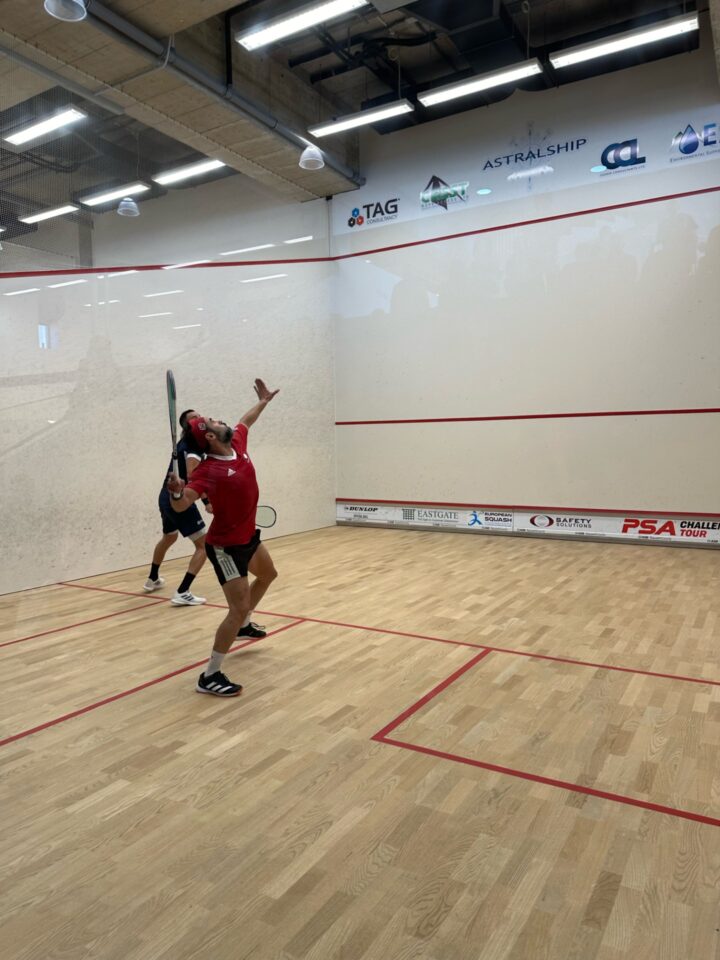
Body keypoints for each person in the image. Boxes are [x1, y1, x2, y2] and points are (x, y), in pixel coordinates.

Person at [166, 379, 279, 697]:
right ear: (211, 437)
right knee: (237, 607)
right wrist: (177, 493)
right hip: (225, 548)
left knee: (268, 575)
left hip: (248, 538)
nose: (220, 420)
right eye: (213, 422)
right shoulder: (206, 471)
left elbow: (246, 420)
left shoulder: (237, 444)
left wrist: (263, 402)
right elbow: (183, 504)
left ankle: (243, 626)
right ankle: (210, 675)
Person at [144, 408, 209, 605]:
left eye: (199, 415)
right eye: (194, 417)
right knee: (204, 546)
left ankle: (152, 578)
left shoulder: (184, 443)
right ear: (188, 425)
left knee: (169, 537)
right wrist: (207, 502)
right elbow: (192, 475)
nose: (199, 418)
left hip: (165, 497)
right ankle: (183, 591)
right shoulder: (192, 446)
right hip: (179, 498)